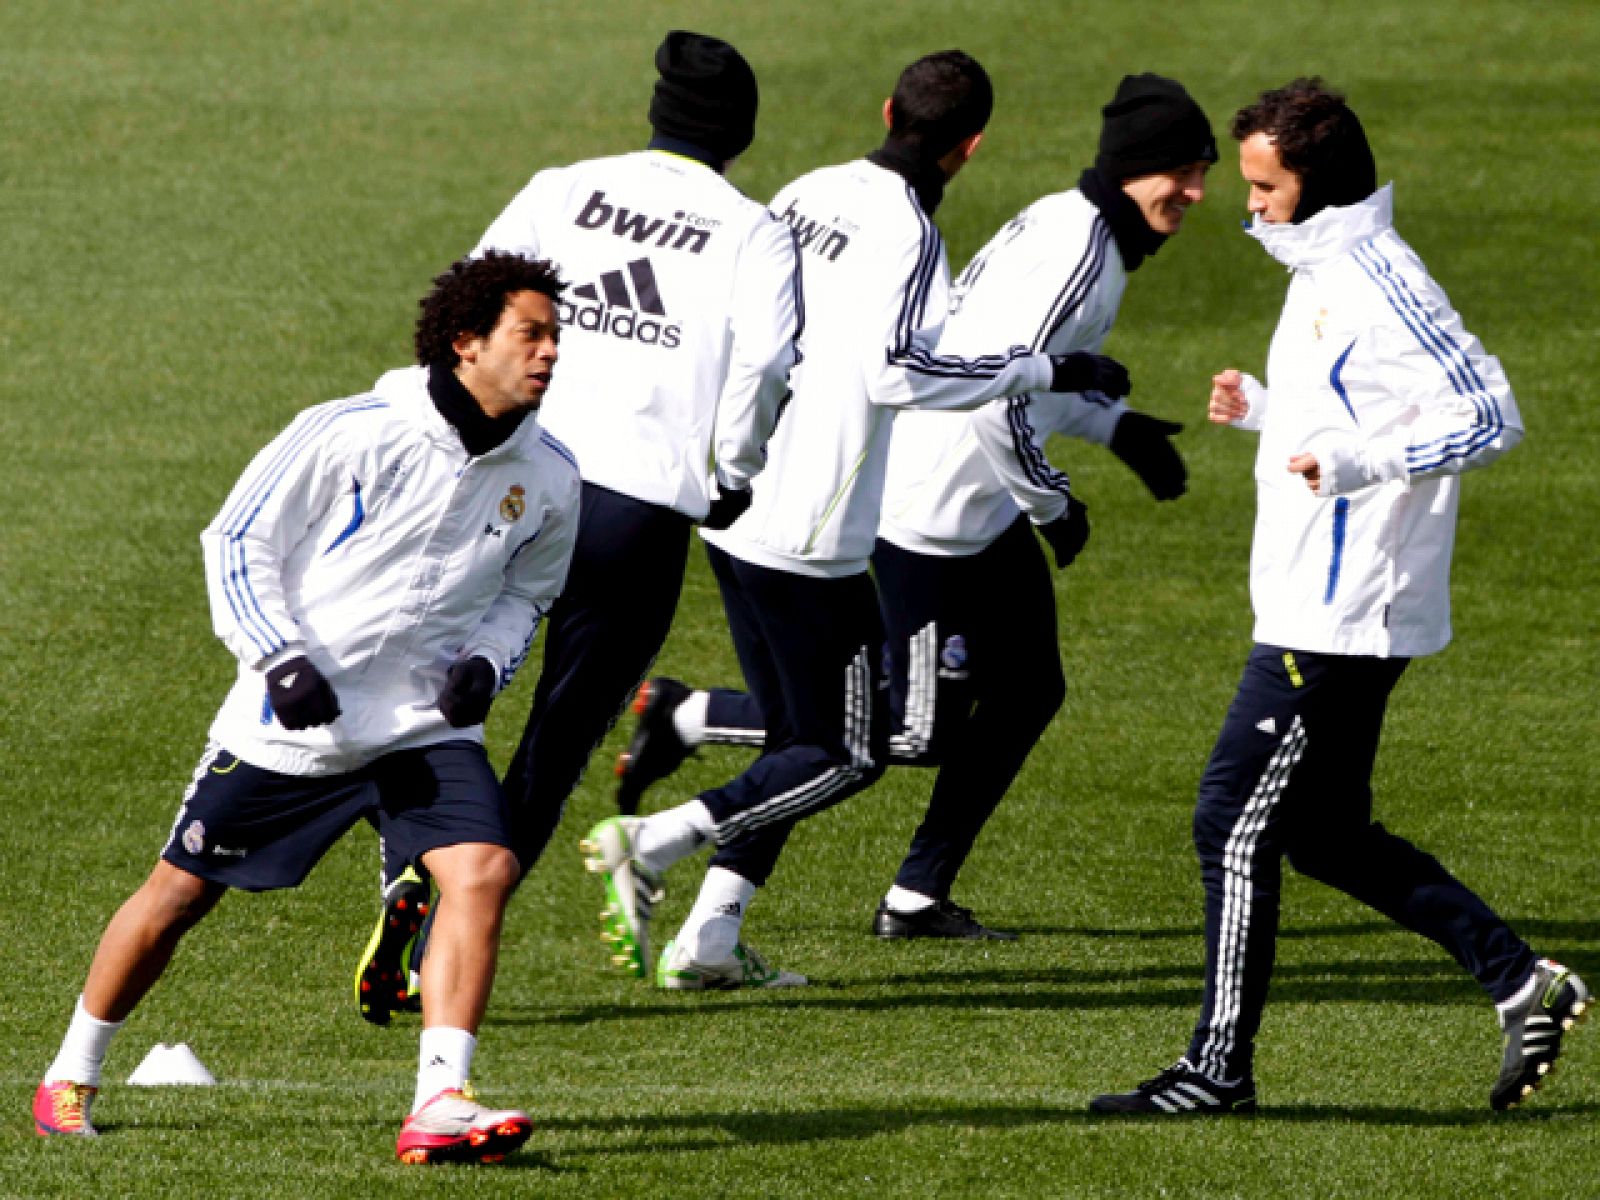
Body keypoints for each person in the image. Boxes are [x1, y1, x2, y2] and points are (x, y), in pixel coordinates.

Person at [615, 74, 1215, 941]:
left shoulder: (1068, 227)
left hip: (970, 509)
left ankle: (912, 894)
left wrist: (1118, 429)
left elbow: (1010, 368)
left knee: (1027, 689)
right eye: (1182, 172)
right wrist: (1054, 507)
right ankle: (688, 721)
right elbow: (993, 396)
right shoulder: (1064, 252)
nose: (1196, 192)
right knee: (893, 732)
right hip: (927, 516)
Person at [1089, 78, 1588, 1117]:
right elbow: (1347, 415)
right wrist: (1267, 416)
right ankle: (1518, 980)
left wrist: (1360, 462)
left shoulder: (1376, 274)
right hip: (1321, 600)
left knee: (1229, 822)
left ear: (1316, 181)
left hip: (1344, 612)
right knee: (1320, 831)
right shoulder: (1320, 267)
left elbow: (1490, 414)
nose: (1249, 205)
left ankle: (1217, 1069)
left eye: (1265, 186)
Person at [32, 252, 580, 1165]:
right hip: (297, 727)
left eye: (557, 336)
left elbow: (528, 593)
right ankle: (71, 1073)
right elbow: (237, 539)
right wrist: (279, 661)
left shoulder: (550, 475)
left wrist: (484, 665)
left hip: (423, 727)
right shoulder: (348, 431)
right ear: (464, 342)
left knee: (483, 870)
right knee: (177, 896)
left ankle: (439, 1101)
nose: (552, 353)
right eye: (532, 333)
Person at [353, 30, 802, 1022]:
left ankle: (406, 864)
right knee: (555, 743)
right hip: (633, 513)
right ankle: (444, 944)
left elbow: (464, 297)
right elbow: (767, 366)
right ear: (741, 133)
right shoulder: (752, 229)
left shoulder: (565, 186)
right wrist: (735, 471)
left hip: (510, 473)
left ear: (655, 112)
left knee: (440, 689)